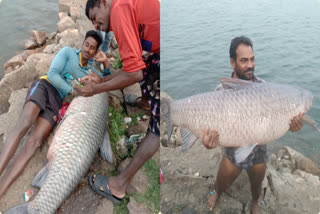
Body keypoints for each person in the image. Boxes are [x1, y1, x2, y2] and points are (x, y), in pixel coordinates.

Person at [0, 30, 110, 198]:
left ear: (96, 52)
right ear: (83, 43)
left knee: (35, 143)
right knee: (25, 123)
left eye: (93, 48)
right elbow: (53, 74)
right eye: (87, 44)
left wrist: (106, 64)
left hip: (56, 103)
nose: (88, 49)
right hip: (45, 87)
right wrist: (74, 90)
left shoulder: (89, 72)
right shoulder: (67, 52)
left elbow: (106, 83)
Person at [202, 36, 303, 214]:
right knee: (222, 182)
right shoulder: (220, 92)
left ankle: (255, 202)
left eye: (252, 59)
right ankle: (217, 191)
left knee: (257, 183)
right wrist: (208, 143)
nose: (250, 65)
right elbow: (210, 130)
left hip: (259, 151)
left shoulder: (265, 88)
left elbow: (280, 119)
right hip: (233, 151)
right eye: (244, 60)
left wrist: (292, 125)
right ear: (232, 63)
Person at [74, 0, 160, 204]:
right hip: (158, 48)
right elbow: (135, 66)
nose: (96, 26)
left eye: (95, 18)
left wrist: (95, 88)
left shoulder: (119, 8)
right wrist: (102, 80)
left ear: (104, 3)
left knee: (158, 127)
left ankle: (118, 185)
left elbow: (134, 74)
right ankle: (147, 102)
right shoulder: (125, 7)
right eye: (93, 23)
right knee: (146, 62)